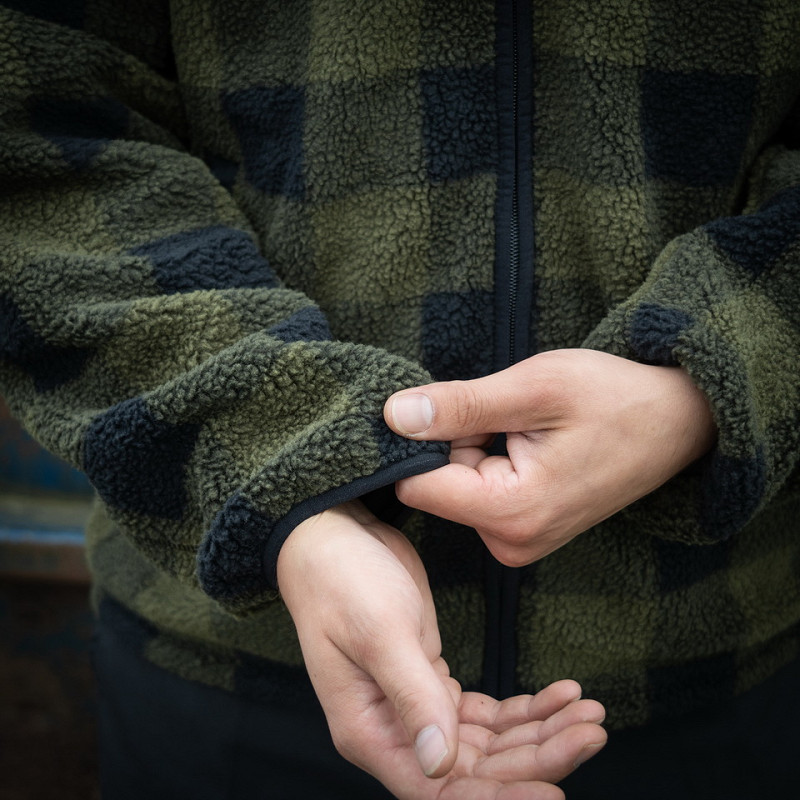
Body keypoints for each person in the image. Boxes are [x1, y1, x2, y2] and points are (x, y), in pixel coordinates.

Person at [1, 0, 798, 798]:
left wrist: (708, 384)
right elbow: (36, 130)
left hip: (720, 660)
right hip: (230, 667)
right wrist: (284, 472)